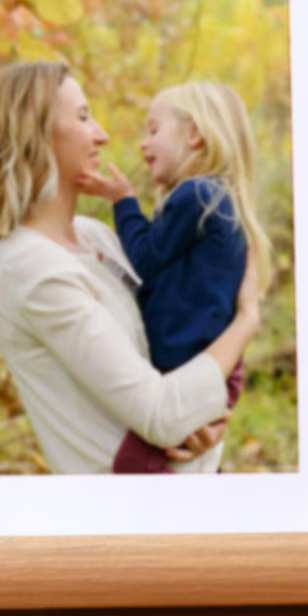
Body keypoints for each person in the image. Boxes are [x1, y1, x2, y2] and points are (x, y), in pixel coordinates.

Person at [0, 62, 258, 475]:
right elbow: (162, 416)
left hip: (188, 487)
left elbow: (175, 368)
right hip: (125, 505)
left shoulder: (96, 237)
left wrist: (205, 422)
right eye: (83, 117)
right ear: (36, 132)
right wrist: (247, 321)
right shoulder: (29, 268)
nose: (102, 135)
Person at [83, 80, 271, 474]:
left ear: (195, 134)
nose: (143, 144)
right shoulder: (215, 200)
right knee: (180, 462)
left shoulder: (195, 195)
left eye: (154, 130)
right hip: (213, 366)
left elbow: (144, 261)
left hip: (192, 368)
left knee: (136, 464)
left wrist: (123, 201)